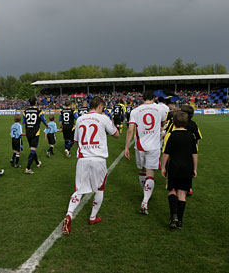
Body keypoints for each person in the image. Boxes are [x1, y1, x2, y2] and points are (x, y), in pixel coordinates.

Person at [62, 96, 119, 235]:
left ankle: (69, 214)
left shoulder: (80, 119)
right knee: (99, 189)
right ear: (99, 106)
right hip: (98, 159)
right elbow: (116, 134)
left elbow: (76, 140)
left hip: (83, 159)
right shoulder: (103, 118)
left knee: (79, 190)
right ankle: (92, 217)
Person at [124, 91, 166, 215]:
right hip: (154, 146)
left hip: (140, 146)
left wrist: (126, 147)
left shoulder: (136, 111)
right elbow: (163, 124)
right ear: (153, 98)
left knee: (142, 171)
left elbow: (130, 130)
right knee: (150, 174)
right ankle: (145, 201)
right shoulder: (160, 109)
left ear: (143, 99)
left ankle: (145, 193)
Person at [161, 111, 198, 229]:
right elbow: (194, 154)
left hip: (174, 167)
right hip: (187, 167)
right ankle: (180, 221)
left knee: (172, 191)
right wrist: (195, 168)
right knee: (182, 194)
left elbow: (166, 153)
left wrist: (163, 167)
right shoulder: (190, 136)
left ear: (174, 122)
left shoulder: (171, 135)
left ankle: (174, 216)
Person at [180, 105, 202, 196]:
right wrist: (196, 148)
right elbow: (197, 138)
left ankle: (179, 186)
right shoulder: (194, 124)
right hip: (191, 151)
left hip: (180, 149)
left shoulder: (179, 123)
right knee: (189, 169)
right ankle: (188, 188)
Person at [23, 96, 48, 174]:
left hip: (28, 132)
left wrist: (27, 130)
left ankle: (37, 162)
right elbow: (44, 120)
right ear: (36, 102)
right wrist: (47, 126)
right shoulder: (38, 111)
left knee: (32, 149)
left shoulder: (25, 111)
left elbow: (24, 123)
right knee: (33, 150)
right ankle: (28, 168)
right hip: (35, 132)